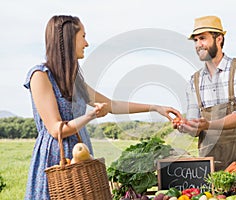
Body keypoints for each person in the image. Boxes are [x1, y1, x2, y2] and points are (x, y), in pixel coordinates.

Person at [23, 15, 181, 200]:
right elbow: (56, 128)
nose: (87, 43)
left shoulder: (74, 80)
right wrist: (90, 116)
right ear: (68, 39)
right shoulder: (40, 76)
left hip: (80, 157)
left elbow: (112, 105)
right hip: (56, 159)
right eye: (83, 36)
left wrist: (155, 107)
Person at [174, 15, 236, 171]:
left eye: (203, 38)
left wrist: (209, 124)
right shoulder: (194, 81)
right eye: (195, 40)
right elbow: (195, 129)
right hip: (211, 166)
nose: (198, 45)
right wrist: (185, 126)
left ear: (219, 39)